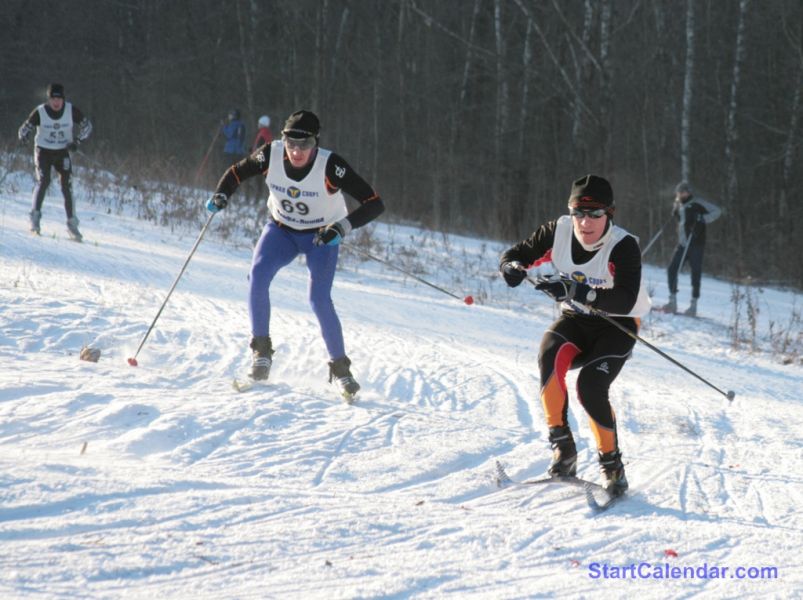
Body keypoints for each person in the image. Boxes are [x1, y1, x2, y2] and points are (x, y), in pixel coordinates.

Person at [206, 109, 384, 399]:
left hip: (320, 238)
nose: (297, 151)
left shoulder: (331, 166)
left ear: (315, 143)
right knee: (257, 276)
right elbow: (236, 172)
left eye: (305, 145)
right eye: (291, 143)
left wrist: (342, 227)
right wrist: (221, 194)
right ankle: (261, 354)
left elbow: (374, 203)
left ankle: (341, 371)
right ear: (283, 140)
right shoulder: (269, 155)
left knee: (318, 299)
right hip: (281, 232)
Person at [498, 175, 651, 497]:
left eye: (595, 214)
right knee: (549, 356)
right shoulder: (559, 230)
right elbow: (520, 253)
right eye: (578, 212)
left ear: (610, 213)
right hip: (576, 320)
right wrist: (511, 266)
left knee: (591, 386)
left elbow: (624, 297)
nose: (585, 222)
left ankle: (613, 468)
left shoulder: (623, 245)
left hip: (618, 325)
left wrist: (576, 290)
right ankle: (563, 450)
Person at [17, 83, 93, 241]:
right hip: (43, 151)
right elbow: (24, 128)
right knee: (44, 181)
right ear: (48, 99)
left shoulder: (71, 110)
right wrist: (23, 137)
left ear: (63, 99)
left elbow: (87, 126)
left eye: (59, 99)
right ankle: (35, 220)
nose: (56, 102)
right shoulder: (40, 112)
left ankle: (72, 225)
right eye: (53, 98)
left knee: (67, 185)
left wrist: (77, 141)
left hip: (62, 151)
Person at [662, 182, 722, 316]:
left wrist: (702, 218)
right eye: (679, 192)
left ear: (689, 192)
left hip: (696, 244)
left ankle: (693, 305)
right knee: (672, 269)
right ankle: (672, 302)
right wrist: (675, 212)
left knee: (695, 273)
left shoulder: (698, 203)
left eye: (683, 192)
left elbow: (717, 211)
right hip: (683, 244)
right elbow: (681, 221)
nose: (681, 194)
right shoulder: (678, 204)